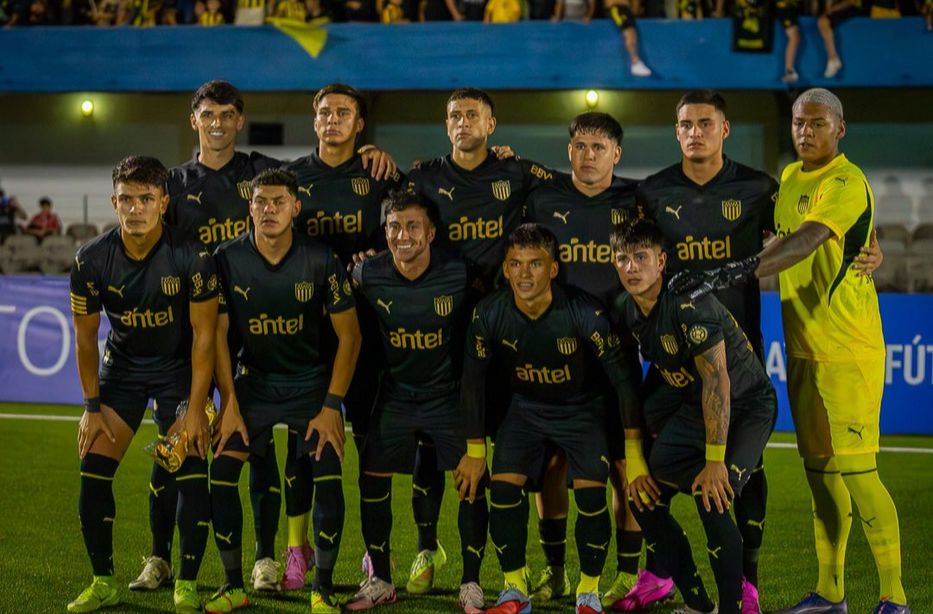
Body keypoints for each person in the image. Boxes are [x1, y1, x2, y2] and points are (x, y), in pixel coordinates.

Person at [670, 88, 910, 614]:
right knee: (820, 477)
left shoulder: (845, 181)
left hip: (847, 351)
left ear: (840, 129)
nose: (805, 131)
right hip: (803, 349)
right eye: (800, 122)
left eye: (818, 123)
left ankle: (895, 598)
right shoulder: (790, 179)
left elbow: (806, 239)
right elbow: (778, 237)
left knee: (860, 475)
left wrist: (735, 271)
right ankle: (830, 594)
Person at [522, 112, 674, 612]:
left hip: (617, 359)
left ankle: (628, 574)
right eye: (580, 146)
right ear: (569, 151)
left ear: (617, 154)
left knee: (625, 467)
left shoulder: (636, 200)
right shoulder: (542, 197)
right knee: (551, 465)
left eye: (599, 147)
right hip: (553, 357)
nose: (588, 156)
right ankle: (556, 571)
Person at [404, 88, 552, 595]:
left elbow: (574, 190)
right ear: (446, 125)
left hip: (504, 331)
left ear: (491, 124)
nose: (462, 122)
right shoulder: (424, 177)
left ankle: (514, 566)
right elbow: (394, 221)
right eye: (454, 115)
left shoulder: (517, 173)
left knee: (510, 450)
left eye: (472, 115)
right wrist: (371, 157)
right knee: (430, 445)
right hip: (440, 330)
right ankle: (427, 548)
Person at [457, 223, 642, 614]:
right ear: (505, 269)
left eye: (535, 264)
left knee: (590, 494)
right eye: (516, 264)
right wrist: (475, 450)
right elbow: (472, 381)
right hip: (525, 409)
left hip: (582, 409)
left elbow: (624, 379)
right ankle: (514, 590)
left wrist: (634, 450)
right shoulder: (488, 313)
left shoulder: (583, 312)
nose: (524, 274)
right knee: (503, 490)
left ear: (553, 269)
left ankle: (588, 594)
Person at [145, 80, 283, 596]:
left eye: (227, 114)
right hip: (190, 340)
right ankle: (159, 557)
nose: (218, 123)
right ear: (194, 120)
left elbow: (322, 171)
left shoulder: (259, 173)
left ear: (240, 120)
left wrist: (372, 155)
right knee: (174, 448)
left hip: (253, 337)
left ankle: (264, 558)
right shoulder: (173, 185)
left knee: (257, 448)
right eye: (208, 114)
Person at [67, 156, 218, 614]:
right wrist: (91, 406)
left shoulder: (192, 255)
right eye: (127, 199)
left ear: (163, 202)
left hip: (178, 372)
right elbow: (86, 340)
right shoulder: (91, 259)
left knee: (190, 471)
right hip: (123, 371)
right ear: (114, 202)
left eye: (146, 199)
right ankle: (103, 582)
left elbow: (205, 337)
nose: (136, 208)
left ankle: (186, 583)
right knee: (93, 469)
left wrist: (197, 408)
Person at [207, 168, 361, 614]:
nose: (269, 210)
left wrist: (332, 406)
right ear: (249, 207)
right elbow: (216, 336)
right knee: (222, 473)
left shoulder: (321, 259)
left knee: (327, 472)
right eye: (261, 202)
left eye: (278, 202)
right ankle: (233, 585)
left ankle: (323, 588)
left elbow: (350, 337)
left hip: (309, 384)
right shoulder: (226, 258)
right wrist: (228, 403)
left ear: (295, 207)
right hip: (253, 383)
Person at [611, 217, 776, 614]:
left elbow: (718, 380)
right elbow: (631, 382)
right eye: (622, 258)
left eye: (641, 257)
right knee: (641, 495)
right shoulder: (625, 309)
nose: (631, 267)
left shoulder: (689, 303)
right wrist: (635, 455)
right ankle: (698, 602)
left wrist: (715, 462)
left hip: (748, 405)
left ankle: (732, 608)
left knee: (713, 496)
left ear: (661, 261)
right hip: (692, 405)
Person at [281, 82, 402, 590]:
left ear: (359, 123)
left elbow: (407, 232)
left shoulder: (380, 175)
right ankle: (296, 549)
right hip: (309, 338)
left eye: (343, 113)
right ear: (314, 121)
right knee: (303, 447)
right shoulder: (290, 178)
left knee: (372, 448)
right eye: (325, 112)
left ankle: (375, 553)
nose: (332, 120)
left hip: (368, 331)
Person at [345, 190, 488, 614]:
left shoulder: (460, 274)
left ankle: (471, 583)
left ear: (431, 232)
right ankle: (381, 580)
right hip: (396, 394)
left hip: (446, 396)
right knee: (371, 475)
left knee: (471, 480)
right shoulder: (367, 274)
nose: (403, 235)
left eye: (412, 226)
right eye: (394, 226)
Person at [605, 0, 652, 77]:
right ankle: (635, 63)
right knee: (629, 32)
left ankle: (636, 63)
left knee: (632, 34)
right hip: (616, 8)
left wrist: (634, 10)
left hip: (626, 9)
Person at [816, 0, 862, 78]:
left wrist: (831, 10)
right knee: (822, 21)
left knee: (823, 21)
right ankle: (833, 59)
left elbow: (851, 2)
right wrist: (828, 10)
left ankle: (833, 58)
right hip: (834, 9)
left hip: (853, 8)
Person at [776, 0, 801, 82]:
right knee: (794, 37)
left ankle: (789, 71)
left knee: (795, 37)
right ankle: (789, 71)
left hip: (791, 8)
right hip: (784, 8)